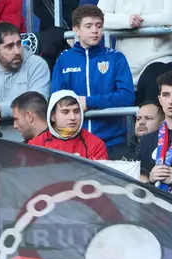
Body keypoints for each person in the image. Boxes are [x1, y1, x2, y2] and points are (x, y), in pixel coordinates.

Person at [50, 5, 134, 155]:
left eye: (98, 26)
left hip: (112, 141)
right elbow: (57, 100)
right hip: (74, 141)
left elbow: (127, 97)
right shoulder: (64, 59)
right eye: (88, 26)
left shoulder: (115, 58)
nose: (95, 31)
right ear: (76, 30)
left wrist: (89, 102)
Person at [28, 90, 109, 160]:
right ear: (52, 116)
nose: (72, 117)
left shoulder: (95, 144)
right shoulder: (36, 145)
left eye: (76, 111)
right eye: (65, 112)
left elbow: (100, 177)